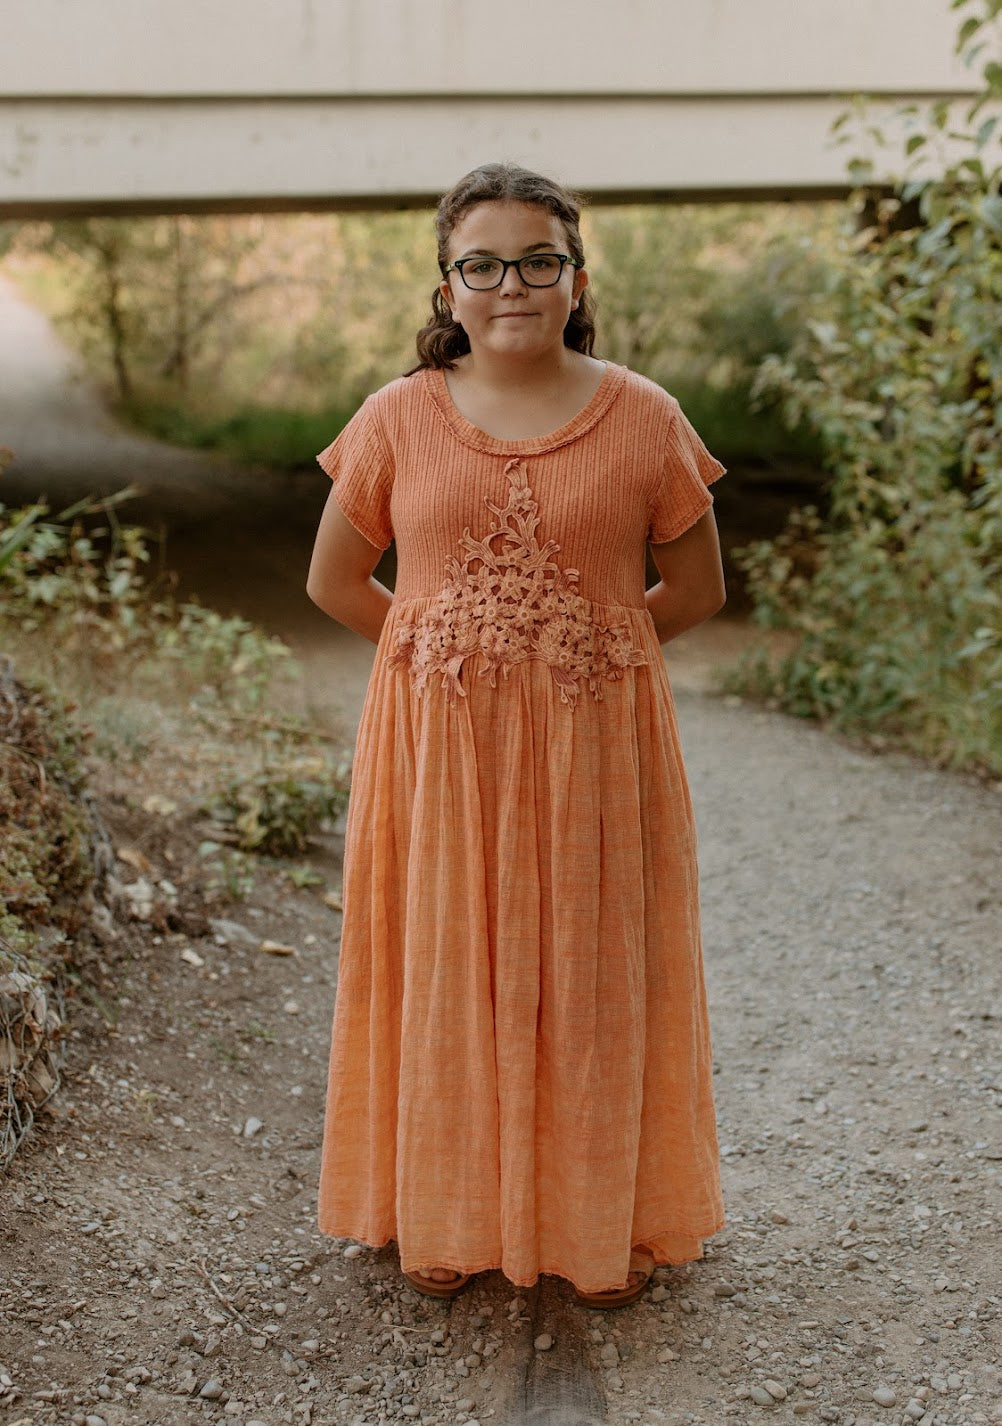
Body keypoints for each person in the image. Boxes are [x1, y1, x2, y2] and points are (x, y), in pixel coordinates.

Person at [307, 162, 725, 1308]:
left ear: (576, 275)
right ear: (447, 288)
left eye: (537, 259)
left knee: (591, 973)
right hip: (438, 745)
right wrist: (444, 649)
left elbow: (694, 590)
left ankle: (604, 1227)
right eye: (481, 264)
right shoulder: (395, 417)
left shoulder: (646, 416)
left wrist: (581, 654)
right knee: (448, 960)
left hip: (597, 740)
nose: (511, 284)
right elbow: (337, 580)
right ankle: (445, 1217)